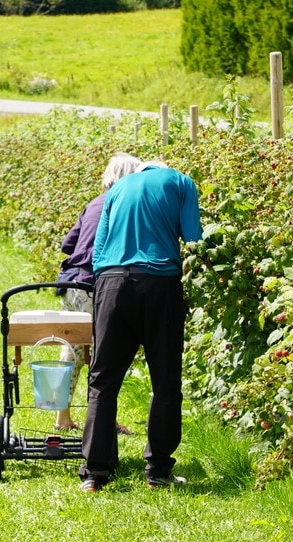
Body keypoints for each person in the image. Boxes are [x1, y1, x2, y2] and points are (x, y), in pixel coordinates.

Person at [79, 160, 201, 493]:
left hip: (112, 283)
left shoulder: (117, 189)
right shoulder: (181, 182)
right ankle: (158, 470)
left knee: (102, 378)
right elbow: (194, 240)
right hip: (160, 283)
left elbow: (98, 251)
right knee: (165, 379)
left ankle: (95, 472)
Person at [53, 153, 141, 432]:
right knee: (106, 354)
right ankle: (102, 422)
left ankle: (63, 418)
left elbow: (69, 245)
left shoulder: (93, 204)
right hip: (93, 285)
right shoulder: (124, 205)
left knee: (72, 350)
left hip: (70, 283)